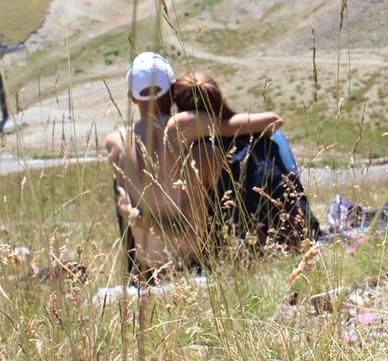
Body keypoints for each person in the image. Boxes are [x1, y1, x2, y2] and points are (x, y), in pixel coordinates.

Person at [104, 52, 282, 283]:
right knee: (227, 154)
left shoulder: (115, 141)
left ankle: (132, 273)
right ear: (172, 90)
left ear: (132, 98)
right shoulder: (183, 125)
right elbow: (271, 122)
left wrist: (138, 218)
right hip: (192, 263)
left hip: (147, 269)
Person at [172, 70, 320, 252]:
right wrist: (224, 125)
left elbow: (195, 223)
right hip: (300, 235)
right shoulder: (254, 135)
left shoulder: (199, 153)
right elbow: (275, 120)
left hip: (246, 248)